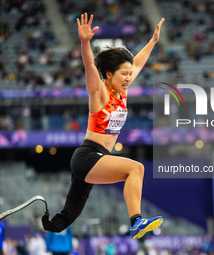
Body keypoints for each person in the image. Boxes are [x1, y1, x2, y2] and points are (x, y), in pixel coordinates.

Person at [42, 12, 165, 239]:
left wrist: (153, 42)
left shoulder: (123, 89)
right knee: (136, 169)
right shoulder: (99, 92)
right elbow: (89, 64)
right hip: (88, 155)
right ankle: (136, 221)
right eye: (124, 74)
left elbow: (137, 62)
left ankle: (54, 226)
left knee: (72, 210)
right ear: (109, 74)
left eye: (130, 74)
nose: (129, 78)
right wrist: (85, 42)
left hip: (97, 159)